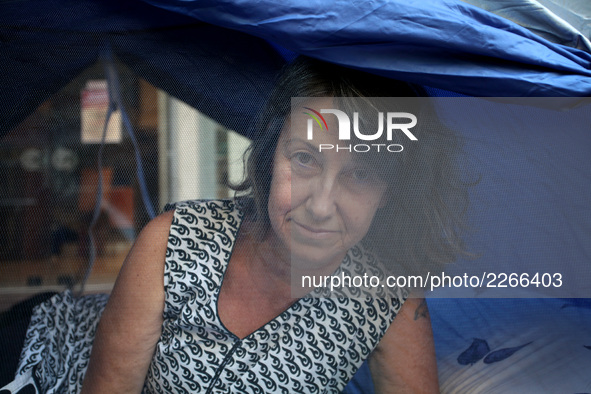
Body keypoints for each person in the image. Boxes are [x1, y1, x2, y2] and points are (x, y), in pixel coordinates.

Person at [7, 57, 468, 393]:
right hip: (41, 359)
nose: (323, 205)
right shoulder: (173, 242)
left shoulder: (388, 297)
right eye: (305, 159)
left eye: (360, 174)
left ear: (390, 192)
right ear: (270, 155)